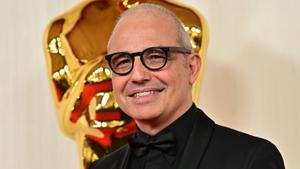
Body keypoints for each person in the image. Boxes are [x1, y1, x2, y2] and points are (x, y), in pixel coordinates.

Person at [90, 3, 285, 169]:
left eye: (156, 57)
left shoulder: (251, 159)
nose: (138, 75)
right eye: (123, 61)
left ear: (191, 68)